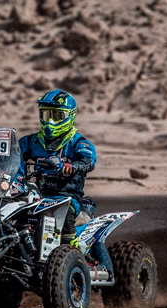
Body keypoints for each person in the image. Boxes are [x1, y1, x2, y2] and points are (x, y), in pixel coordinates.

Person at [16, 89, 112, 277]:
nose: (50, 122)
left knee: (65, 211)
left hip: (68, 198)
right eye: (46, 115)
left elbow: (89, 161)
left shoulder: (78, 142)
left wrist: (70, 166)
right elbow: (13, 153)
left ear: (70, 116)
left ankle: (73, 255)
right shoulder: (33, 141)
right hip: (39, 196)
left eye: (57, 116)